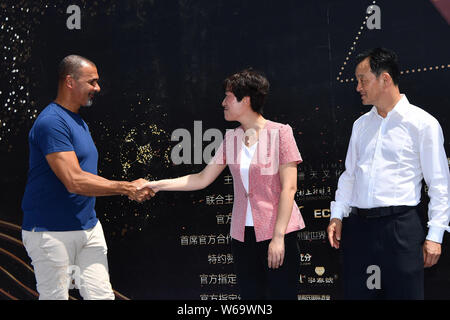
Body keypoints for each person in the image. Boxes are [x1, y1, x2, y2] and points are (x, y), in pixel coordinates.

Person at [139, 68, 305, 299]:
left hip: (277, 233)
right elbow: (201, 178)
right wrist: (155, 185)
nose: (223, 102)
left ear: (245, 100)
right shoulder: (232, 138)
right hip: (242, 236)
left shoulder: (280, 133)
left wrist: (278, 237)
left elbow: (289, 188)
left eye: (228, 96)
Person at [21, 55, 154, 300]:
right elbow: (74, 180)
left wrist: (126, 187)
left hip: (88, 228)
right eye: (92, 82)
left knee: (102, 296)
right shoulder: (51, 122)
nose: (97, 88)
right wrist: (126, 187)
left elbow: (83, 175)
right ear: (70, 82)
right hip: (51, 232)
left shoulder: (78, 120)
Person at [327, 48, 450, 299]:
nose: (357, 87)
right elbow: (350, 175)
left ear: (384, 79)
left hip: (401, 229)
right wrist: (337, 215)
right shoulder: (360, 126)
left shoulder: (422, 123)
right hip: (359, 230)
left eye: (362, 80)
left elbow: (439, 184)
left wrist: (435, 235)